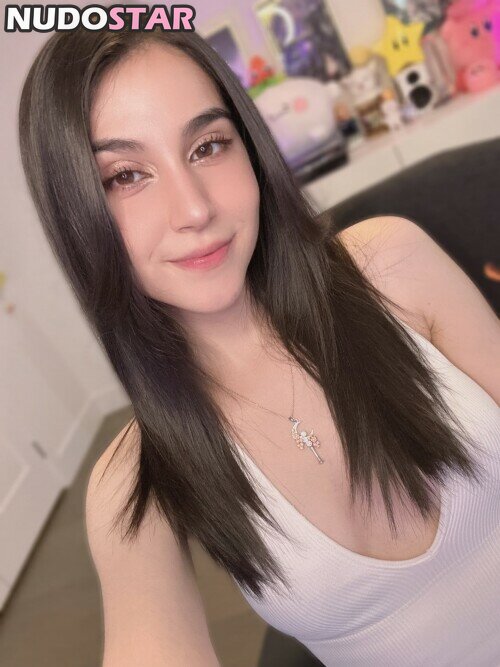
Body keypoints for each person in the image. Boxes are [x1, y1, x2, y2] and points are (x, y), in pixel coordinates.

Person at [18, 24, 500, 667]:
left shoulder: (394, 266)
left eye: (208, 146)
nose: (194, 209)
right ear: (76, 215)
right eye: (126, 175)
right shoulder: (132, 486)